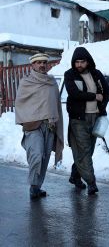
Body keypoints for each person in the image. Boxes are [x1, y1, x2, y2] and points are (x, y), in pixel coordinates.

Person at [15, 53, 64, 200]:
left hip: (49, 126)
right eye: (38, 62)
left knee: (45, 157)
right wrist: (27, 119)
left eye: (44, 62)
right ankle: (32, 185)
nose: (42, 65)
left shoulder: (52, 82)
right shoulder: (26, 82)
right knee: (36, 154)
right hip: (33, 126)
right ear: (32, 65)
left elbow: (56, 104)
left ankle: (37, 186)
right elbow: (20, 103)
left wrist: (56, 120)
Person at [64, 47, 109, 195]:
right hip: (79, 119)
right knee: (84, 150)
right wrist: (94, 96)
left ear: (87, 62)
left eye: (82, 61)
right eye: (76, 62)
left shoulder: (96, 74)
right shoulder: (70, 75)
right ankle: (91, 182)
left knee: (88, 151)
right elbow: (74, 94)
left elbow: (106, 91)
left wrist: (102, 107)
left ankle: (75, 175)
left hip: (94, 118)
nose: (79, 65)